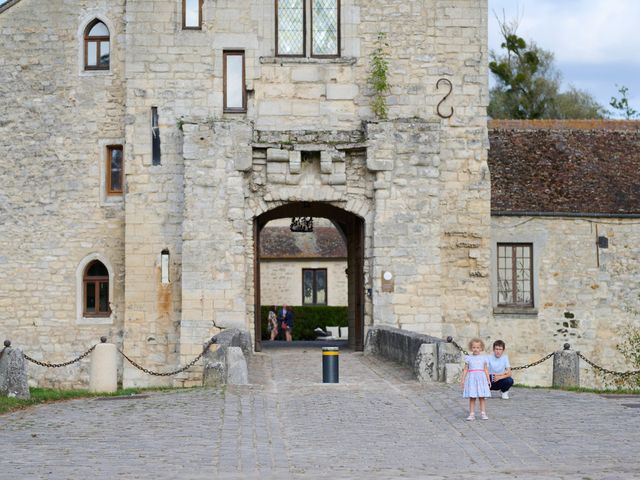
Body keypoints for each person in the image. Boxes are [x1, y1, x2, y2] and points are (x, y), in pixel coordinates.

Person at [460, 338, 491, 421]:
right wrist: (463, 379)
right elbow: (466, 369)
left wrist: (488, 380)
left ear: (481, 348)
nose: (476, 349)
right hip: (472, 378)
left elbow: (486, 369)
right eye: (474, 347)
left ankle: (483, 413)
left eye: (478, 347)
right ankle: (472, 414)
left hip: (481, 378)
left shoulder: (484, 358)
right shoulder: (468, 358)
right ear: (471, 348)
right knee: (472, 397)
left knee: (482, 397)